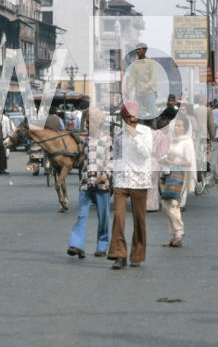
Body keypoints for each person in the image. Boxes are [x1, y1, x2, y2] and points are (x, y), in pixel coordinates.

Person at [108, 100, 153, 269]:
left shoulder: (145, 132)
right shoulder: (118, 135)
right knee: (119, 217)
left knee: (139, 219)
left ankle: (137, 254)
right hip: (121, 181)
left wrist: (134, 136)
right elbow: (116, 159)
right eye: (128, 118)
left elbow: (146, 153)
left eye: (134, 117)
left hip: (139, 181)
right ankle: (119, 255)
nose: (132, 121)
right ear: (123, 118)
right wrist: (113, 180)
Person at [68, 107, 112, 259]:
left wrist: (105, 175)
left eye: (89, 122)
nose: (86, 124)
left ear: (97, 123)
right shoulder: (84, 141)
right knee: (81, 216)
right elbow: (83, 161)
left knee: (103, 218)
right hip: (85, 183)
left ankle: (102, 246)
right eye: (86, 121)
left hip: (102, 185)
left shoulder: (107, 140)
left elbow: (111, 161)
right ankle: (77, 245)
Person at [159, 116, 195, 247]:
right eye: (176, 125)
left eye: (180, 126)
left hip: (180, 174)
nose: (176, 128)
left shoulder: (187, 141)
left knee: (173, 204)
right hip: (169, 173)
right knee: (165, 205)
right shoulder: (172, 140)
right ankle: (174, 235)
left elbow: (189, 161)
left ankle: (179, 232)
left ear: (185, 128)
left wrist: (175, 161)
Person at [126, 43, 157, 118]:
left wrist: (145, 87)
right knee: (138, 114)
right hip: (138, 94)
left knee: (152, 114)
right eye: (137, 49)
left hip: (149, 92)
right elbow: (132, 79)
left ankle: (154, 128)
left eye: (140, 49)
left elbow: (153, 79)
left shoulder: (151, 63)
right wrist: (128, 89)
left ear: (145, 50)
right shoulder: (134, 65)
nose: (138, 51)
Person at [148, 116, 170, 212]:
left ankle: (153, 204)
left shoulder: (159, 134)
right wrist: (153, 151)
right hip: (160, 157)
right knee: (154, 183)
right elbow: (155, 145)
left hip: (159, 157)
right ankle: (151, 205)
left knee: (153, 183)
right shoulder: (160, 134)